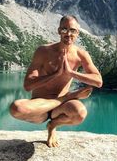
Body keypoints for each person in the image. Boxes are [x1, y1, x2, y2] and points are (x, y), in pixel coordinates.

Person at [9, 15, 103, 147]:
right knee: (16, 108)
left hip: (60, 108)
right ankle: (67, 98)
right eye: (64, 30)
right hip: (40, 106)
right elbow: (28, 85)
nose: (68, 34)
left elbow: (98, 81)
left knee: (80, 114)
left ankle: (53, 125)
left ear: (78, 33)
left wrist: (71, 73)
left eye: (73, 30)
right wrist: (55, 75)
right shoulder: (44, 51)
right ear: (59, 31)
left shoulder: (80, 55)